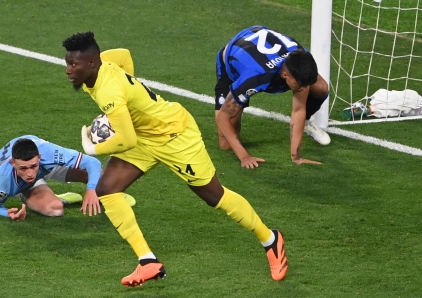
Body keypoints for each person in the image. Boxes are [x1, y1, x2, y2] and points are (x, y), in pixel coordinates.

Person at [62, 31, 288, 287]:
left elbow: (126, 141)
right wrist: (134, 102)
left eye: (73, 64)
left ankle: (271, 240)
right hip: (145, 135)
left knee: (213, 195)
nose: (68, 69)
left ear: (91, 63)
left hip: (175, 135)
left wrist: (92, 149)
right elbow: (124, 55)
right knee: (107, 189)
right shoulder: (106, 61)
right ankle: (148, 262)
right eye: (67, 62)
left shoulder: (108, 92)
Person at [214, 25, 331, 169]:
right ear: (284, 75)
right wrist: (244, 157)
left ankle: (307, 124)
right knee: (226, 144)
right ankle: (239, 99)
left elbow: (298, 110)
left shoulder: (301, 60)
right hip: (232, 62)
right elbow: (222, 118)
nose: (303, 88)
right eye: (300, 84)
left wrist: (296, 156)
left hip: (262, 43)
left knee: (320, 87)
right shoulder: (256, 77)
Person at [0, 135, 135, 220]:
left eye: (33, 166)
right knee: (55, 210)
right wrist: (7, 213)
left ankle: (110, 194)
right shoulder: (2, 179)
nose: (30, 173)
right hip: (22, 183)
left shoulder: (50, 153)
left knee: (100, 177)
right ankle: (40, 195)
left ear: (39, 157)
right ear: (13, 163)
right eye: (23, 168)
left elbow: (92, 162)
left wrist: (91, 189)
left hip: (47, 167)